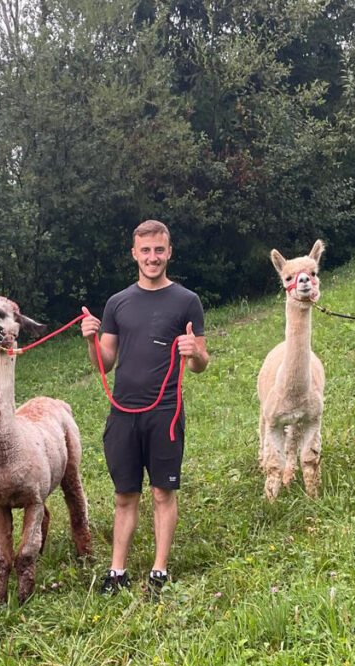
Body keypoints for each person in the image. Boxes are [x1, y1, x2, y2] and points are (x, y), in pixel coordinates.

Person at [81, 219, 209, 598]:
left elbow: (201, 362)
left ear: (169, 252)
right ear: (134, 254)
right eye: (145, 250)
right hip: (123, 413)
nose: (152, 258)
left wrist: (195, 353)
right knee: (124, 495)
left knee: (161, 494)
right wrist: (91, 340)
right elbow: (104, 363)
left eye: (159, 250)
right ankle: (117, 570)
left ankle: (159, 571)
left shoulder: (187, 301)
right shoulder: (118, 303)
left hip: (164, 413)